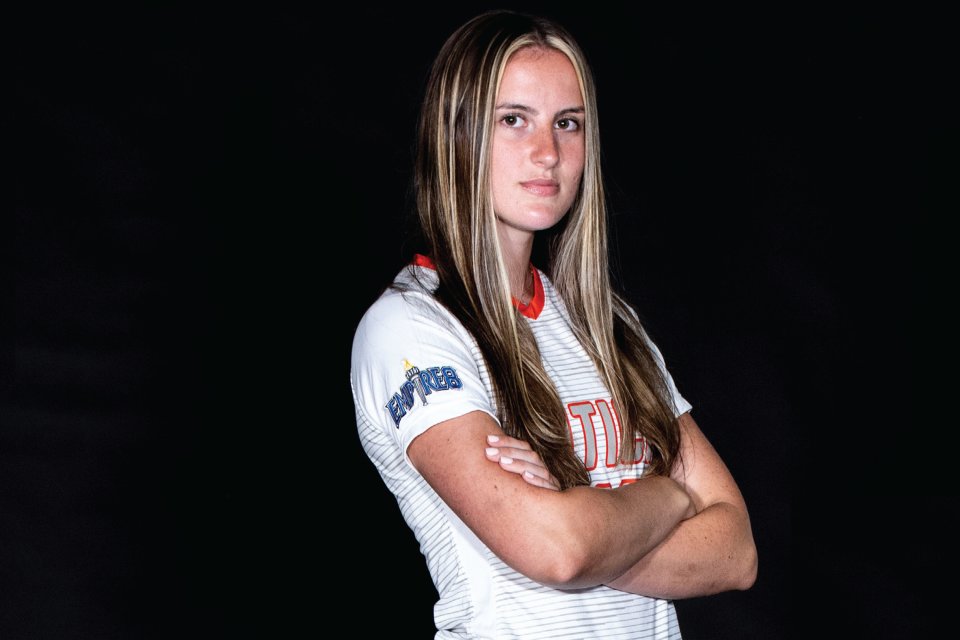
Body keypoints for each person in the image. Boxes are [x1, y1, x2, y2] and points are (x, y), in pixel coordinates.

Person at [350, 9, 757, 639]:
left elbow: (736, 550)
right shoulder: (410, 328)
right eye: (513, 120)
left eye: (567, 124)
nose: (547, 153)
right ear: (455, 134)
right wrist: (670, 497)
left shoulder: (608, 323)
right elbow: (556, 552)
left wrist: (586, 523)